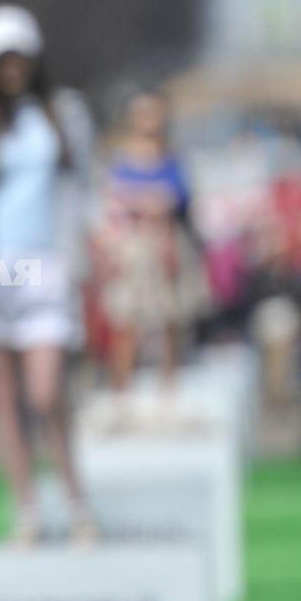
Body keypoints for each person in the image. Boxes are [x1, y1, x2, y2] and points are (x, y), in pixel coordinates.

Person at [0, 5, 95, 544]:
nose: (11, 68)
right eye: (0, 60)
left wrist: (85, 259)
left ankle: (77, 502)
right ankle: (27, 509)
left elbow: (82, 190)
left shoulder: (66, 114)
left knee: (45, 392)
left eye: (18, 57)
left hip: (49, 269)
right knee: (5, 397)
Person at [96, 88, 206, 397]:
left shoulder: (173, 159)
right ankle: (122, 398)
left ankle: (168, 396)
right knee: (126, 326)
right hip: (132, 252)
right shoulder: (120, 158)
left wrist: (140, 200)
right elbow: (114, 201)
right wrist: (152, 201)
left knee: (169, 325)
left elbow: (175, 200)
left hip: (167, 250)